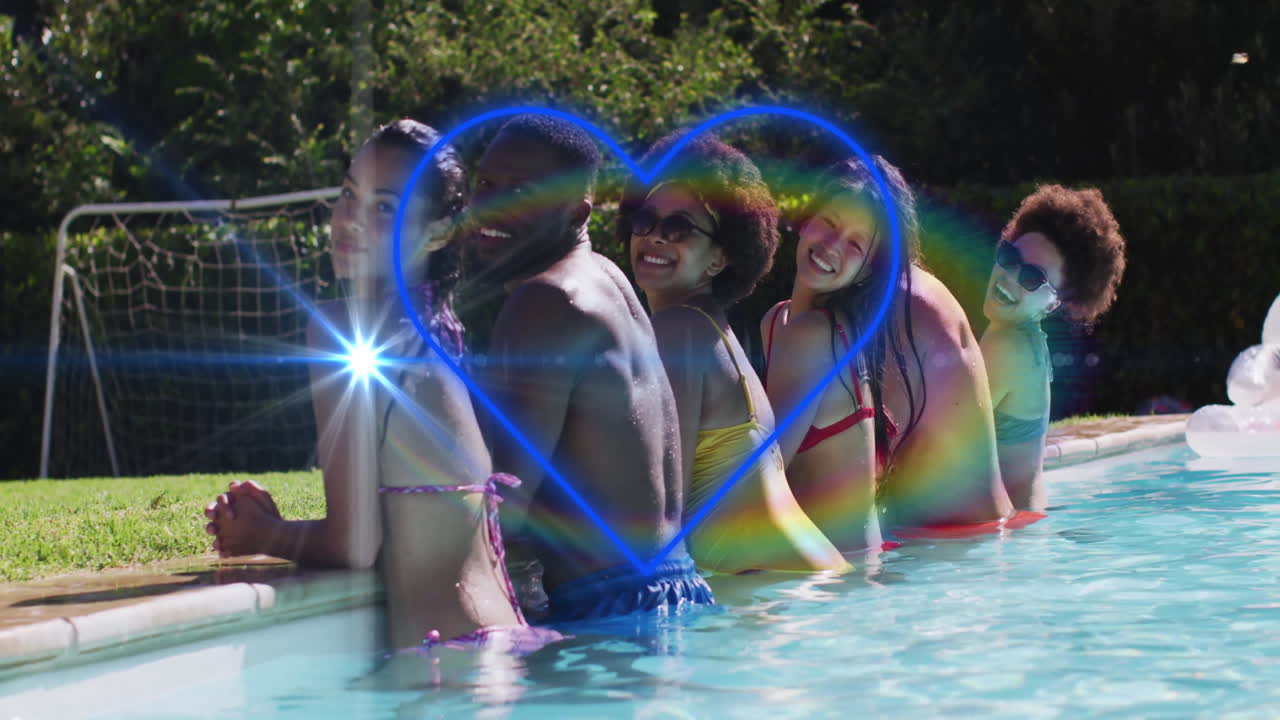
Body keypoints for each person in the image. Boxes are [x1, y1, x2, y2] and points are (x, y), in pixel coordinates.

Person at [203, 120, 543, 654]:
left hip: (452, 661)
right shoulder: (441, 330)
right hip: (503, 642)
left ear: (439, 231)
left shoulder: (348, 328)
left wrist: (259, 533)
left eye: (384, 207)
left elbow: (355, 545)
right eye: (348, 194)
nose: (350, 221)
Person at [465, 114, 714, 622]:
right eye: (486, 183)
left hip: (610, 612)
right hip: (676, 594)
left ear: (576, 212)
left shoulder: (545, 300)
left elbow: (501, 510)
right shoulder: (607, 278)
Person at [619, 131, 847, 573]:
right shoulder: (709, 331)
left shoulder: (678, 330)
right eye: (646, 220)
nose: (656, 238)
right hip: (812, 590)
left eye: (679, 228)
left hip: (786, 595)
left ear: (718, 260)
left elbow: (659, 504)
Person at [763, 156, 1016, 539]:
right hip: (927, 540)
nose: (832, 246)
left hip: (961, 542)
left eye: (856, 243)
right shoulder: (792, 322)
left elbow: (782, 469)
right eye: (829, 223)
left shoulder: (907, 309)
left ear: (875, 263)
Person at [980, 185, 1126, 509]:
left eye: (1032, 278)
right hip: (1022, 521)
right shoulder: (1023, 337)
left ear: (1054, 304)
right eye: (1009, 257)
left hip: (1007, 528)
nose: (1009, 277)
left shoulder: (1009, 346)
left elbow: (939, 432)